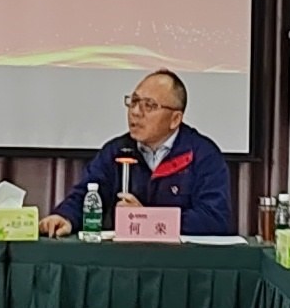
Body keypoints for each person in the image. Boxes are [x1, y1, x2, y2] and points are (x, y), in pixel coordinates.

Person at [44, 69, 235, 236]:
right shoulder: (116, 151)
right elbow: (87, 194)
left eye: (149, 105)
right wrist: (65, 217)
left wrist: (148, 219)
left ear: (175, 119)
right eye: (134, 101)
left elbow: (215, 219)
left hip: (182, 260)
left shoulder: (202, 155)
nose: (135, 112)